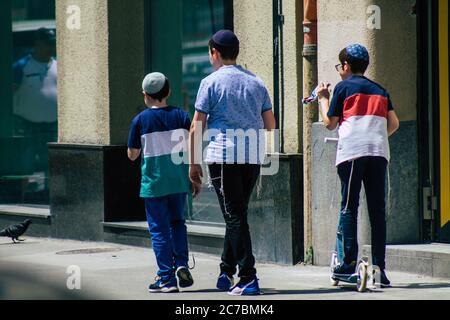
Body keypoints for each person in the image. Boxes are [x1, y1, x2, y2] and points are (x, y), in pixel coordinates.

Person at [189, 30, 276, 296]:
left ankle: (248, 277)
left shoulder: (210, 82)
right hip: (251, 156)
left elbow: (197, 125)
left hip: (224, 156)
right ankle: (226, 271)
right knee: (236, 215)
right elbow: (270, 124)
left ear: (214, 52)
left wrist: (193, 164)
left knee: (234, 216)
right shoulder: (257, 82)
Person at [317, 44, 400, 287]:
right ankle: (379, 270)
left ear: (346, 66)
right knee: (377, 211)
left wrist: (323, 99)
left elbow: (329, 123)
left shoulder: (343, 87)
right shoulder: (381, 90)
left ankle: (347, 266)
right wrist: (375, 134)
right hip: (378, 152)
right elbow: (393, 123)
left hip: (352, 153)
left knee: (349, 207)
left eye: (339, 66)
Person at [127, 72, 200, 293]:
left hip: (154, 184)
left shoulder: (140, 120)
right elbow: (192, 147)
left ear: (145, 95)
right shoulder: (181, 115)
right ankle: (181, 264)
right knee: (178, 224)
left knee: (159, 230)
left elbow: (132, 154)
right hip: (178, 182)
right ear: (168, 92)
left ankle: (166, 278)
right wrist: (195, 177)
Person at [12, 27, 57, 182]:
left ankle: (47, 192)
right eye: (47, 44)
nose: (51, 47)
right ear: (37, 44)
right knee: (26, 160)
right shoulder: (21, 66)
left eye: (53, 43)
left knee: (50, 161)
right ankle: (23, 193)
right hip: (27, 124)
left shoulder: (59, 65)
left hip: (52, 125)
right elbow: (10, 91)